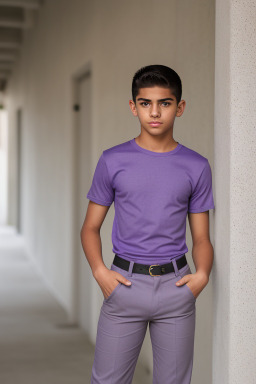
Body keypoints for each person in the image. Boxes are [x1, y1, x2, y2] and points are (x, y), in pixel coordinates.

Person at [80, 64, 215, 384]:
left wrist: (202, 276)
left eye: (165, 103)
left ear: (179, 108)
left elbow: (201, 237)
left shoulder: (196, 166)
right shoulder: (112, 160)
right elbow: (90, 228)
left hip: (177, 289)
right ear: (133, 107)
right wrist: (101, 273)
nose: (155, 112)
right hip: (124, 286)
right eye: (145, 103)